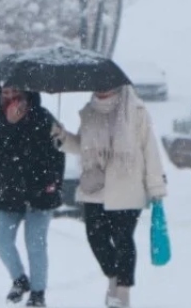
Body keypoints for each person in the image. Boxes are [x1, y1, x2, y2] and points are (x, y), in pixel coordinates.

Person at [51, 86, 167, 308]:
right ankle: (113, 276)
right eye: (98, 84)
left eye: (106, 83)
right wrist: (62, 136)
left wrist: (156, 186)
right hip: (95, 186)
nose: (102, 88)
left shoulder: (135, 111)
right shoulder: (90, 112)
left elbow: (149, 149)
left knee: (123, 238)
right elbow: (82, 146)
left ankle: (122, 291)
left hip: (127, 185)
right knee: (96, 238)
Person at [0, 81, 65, 306]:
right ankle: (19, 279)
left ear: (26, 93)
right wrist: (9, 123)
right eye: (6, 92)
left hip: (40, 191)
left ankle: (38, 293)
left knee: (36, 244)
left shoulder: (42, 117)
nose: (11, 97)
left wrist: (55, 181)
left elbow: (58, 151)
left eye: (15, 92)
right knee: (1, 239)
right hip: (9, 190)